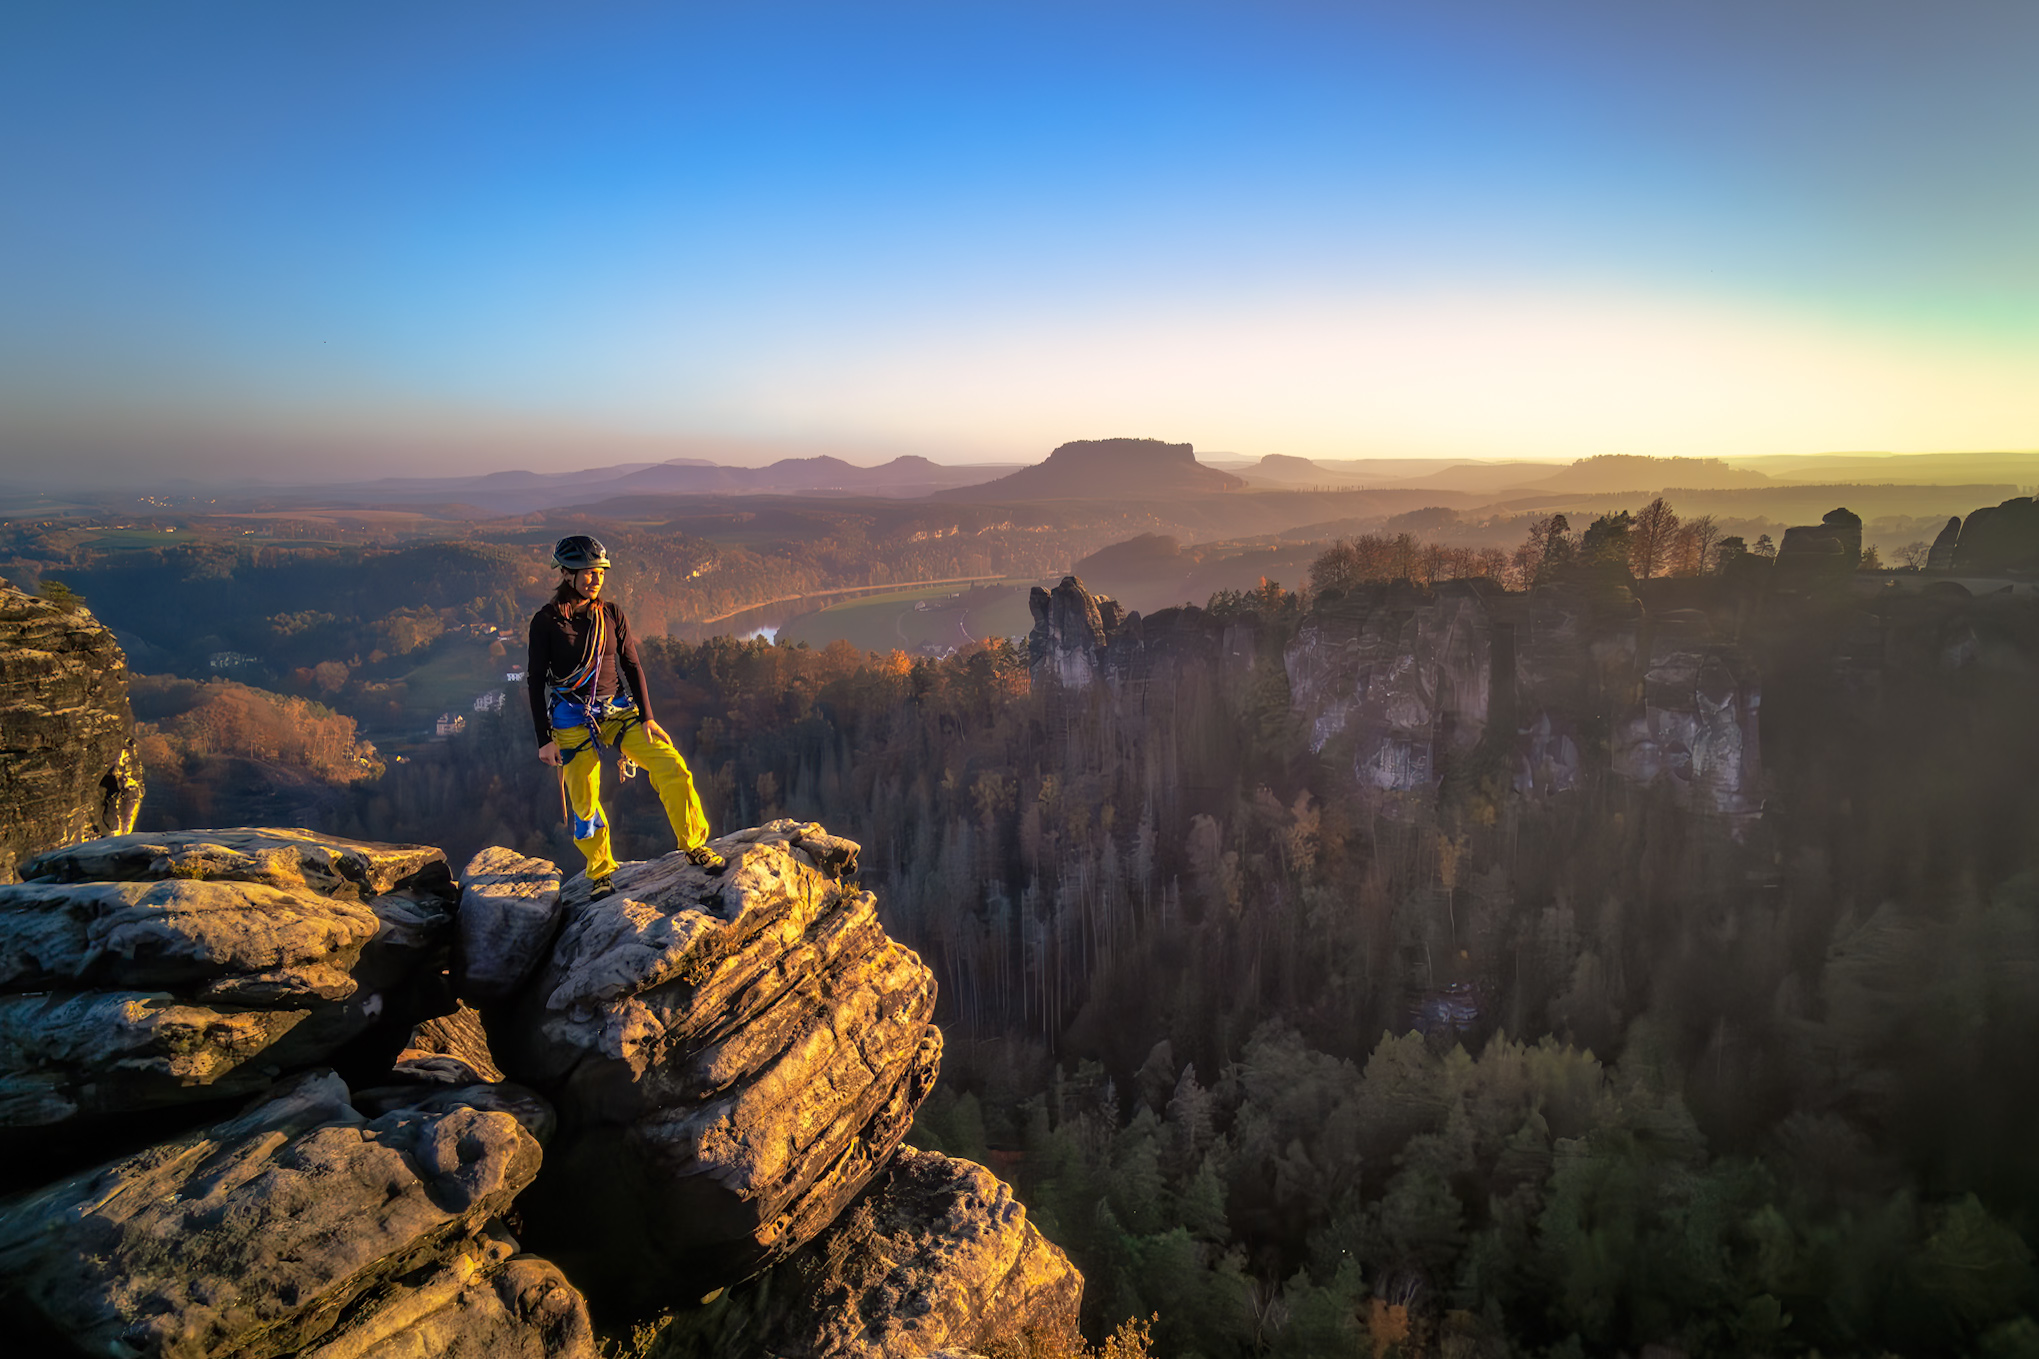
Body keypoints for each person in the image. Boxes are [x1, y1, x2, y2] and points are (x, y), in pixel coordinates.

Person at [527, 534, 722, 896]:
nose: (595, 579)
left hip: (618, 713)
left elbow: (632, 665)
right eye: (587, 572)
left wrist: (647, 716)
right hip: (571, 719)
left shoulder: (611, 614)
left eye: (599, 572)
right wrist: (544, 739)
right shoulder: (547, 622)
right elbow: (535, 680)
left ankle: (694, 845)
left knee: (672, 766)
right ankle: (600, 871)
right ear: (567, 574)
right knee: (585, 799)